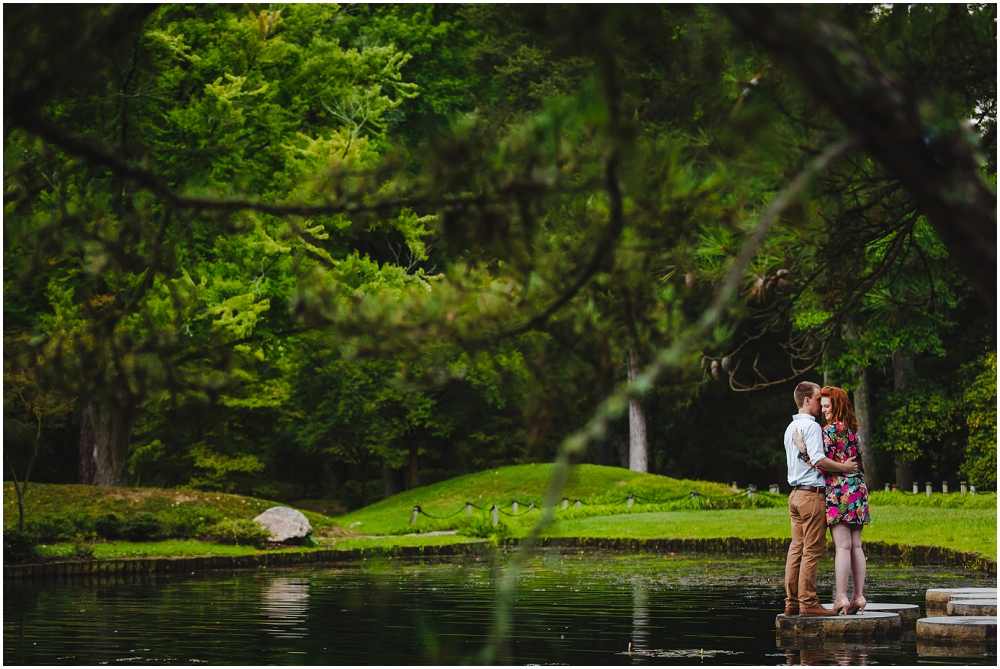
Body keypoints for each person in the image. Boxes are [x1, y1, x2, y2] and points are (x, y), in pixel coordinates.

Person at [783, 381, 858, 617]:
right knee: (812, 550)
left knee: (796, 549)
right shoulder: (813, 427)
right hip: (811, 494)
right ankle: (808, 603)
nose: (821, 405)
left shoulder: (790, 428)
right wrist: (844, 468)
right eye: (817, 399)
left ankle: (792, 602)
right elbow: (818, 460)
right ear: (807, 400)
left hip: (794, 494)